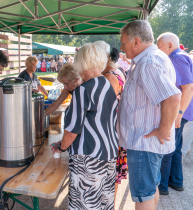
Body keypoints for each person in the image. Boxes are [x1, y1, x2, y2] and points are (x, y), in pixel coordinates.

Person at [118, 20, 181, 210]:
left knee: (143, 196)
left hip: (143, 143)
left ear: (136, 41)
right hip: (146, 143)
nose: (121, 47)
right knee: (150, 189)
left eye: (123, 42)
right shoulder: (152, 58)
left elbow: (172, 97)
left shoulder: (148, 62)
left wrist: (163, 130)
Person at [51, 42, 119, 209]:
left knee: (85, 204)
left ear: (81, 62)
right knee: (103, 204)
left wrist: (60, 148)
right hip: (108, 153)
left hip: (88, 158)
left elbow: (71, 132)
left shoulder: (84, 90)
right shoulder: (106, 84)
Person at [156, 32, 193, 195]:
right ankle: (176, 182)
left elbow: (188, 88)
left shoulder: (177, 58)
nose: (158, 50)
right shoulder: (179, 56)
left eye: (159, 47)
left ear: (169, 46)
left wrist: (178, 114)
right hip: (182, 110)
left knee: (168, 147)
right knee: (175, 147)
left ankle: (163, 185)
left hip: (180, 110)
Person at [95, 41, 127, 209]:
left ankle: (109, 205)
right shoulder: (118, 70)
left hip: (111, 131)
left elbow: (104, 109)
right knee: (114, 174)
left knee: (111, 174)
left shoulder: (108, 76)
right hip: (117, 129)